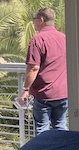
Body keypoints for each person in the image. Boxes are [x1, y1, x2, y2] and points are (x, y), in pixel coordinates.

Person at [17, 7, 68, 135]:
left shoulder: (37, 40)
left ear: (41, 20)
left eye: (34, 20)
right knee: (60, 126)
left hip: (44, 93)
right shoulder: (64, 38)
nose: (33, 23)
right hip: (63, 92)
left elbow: (34, 67)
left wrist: (26, 90)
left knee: (42, 129)